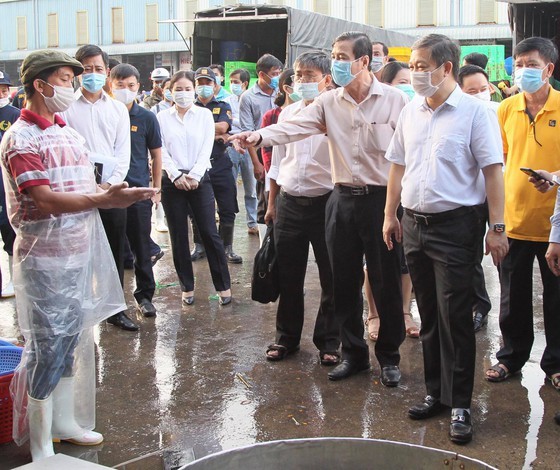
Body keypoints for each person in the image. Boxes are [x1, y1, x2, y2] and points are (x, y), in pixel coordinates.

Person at [0, 49, 156, 462]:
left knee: (69, 340)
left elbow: (87, 183)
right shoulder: (21, 138)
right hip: (43, 258)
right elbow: (45, 201)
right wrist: (104, 199)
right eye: (68, 79)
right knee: (47, 347)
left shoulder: (66, 132)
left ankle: (64, 422)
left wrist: (111, 195)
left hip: (74, 253)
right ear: (40, 84)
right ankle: (39, 444)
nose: (73, 86)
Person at [231, 31, 407, 385]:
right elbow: (295, 127)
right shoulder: (328, 103)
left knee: (385, 281)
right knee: (342, 281)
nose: (337, 62)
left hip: (380, 201)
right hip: (340, 199)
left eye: (343, 56)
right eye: (334, 55)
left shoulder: (394, 101)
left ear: (363, 61)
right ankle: (354, 355)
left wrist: (395, 210)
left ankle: (389, 357)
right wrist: (259, 136)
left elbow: (407, 154)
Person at [383, 34, 508, 444]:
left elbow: (492, 172)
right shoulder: (411, 112)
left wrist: (497, 228)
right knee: (430, 315)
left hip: (456, 227)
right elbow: (398, 166)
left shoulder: (475, 113)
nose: (415, 74)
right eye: (413, 67)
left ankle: (460, 404)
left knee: (456, 317)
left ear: (446, 68)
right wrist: (390, 215)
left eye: (422, 67)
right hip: (415, 225)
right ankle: (435, 392)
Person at [486, 37, 560, 393]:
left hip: (554, 226)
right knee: (511, 297)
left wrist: (555, 180)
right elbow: (497, 164)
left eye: (531, 65)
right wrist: (495, 219)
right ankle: (510, 358)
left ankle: (556, 364)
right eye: (519, 64)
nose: (523, 71)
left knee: (557, 297)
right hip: (513, 221)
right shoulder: (506, 108)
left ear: (548, 69)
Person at [264, 51, 339, 365]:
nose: (302, 81)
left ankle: (329, 342)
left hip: (327, 204)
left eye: (309, 75)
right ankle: (286, 339)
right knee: (288, 275)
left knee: (332, 276)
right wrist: (271, 204)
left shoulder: (337, 111)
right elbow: (278, 163)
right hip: (290, 203)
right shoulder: (288, 112)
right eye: (298, 75)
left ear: (326, 79)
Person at [61, 44, 137, 331]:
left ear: (107, 72)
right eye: (87, 69)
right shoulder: (66, 107)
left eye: (98, 68)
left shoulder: (117, 109)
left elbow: (122, 154)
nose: (92, 74)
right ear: (79, 72)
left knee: (114, 251)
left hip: (110, 192)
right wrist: (85, 186)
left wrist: (109, 186)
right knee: (76, 253)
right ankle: (76, 310)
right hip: (76, 193)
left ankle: (114, 309)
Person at [157, 71, 232, 306]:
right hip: (172, 181)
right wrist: (175, 175)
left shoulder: (204, 116)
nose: (183, 93)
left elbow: (206, 147)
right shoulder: (161, 118)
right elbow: (160, 151)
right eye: (178, 89)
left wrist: (196, 175)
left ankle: (223, 287)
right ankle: (186, 288)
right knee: (178, 235)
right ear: (169, 91)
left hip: (200, 179)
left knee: (210, 233)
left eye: (188, 89)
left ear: (194, 91)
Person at [110, 63, 162, 317]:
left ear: (138, 86)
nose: (125, 90)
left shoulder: (146, 117)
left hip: (139, 190)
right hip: (110, 193)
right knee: (114, 249)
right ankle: (114, 304)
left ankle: (145, 296)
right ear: (111, 86)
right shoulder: (105, 114)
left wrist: (157, 187)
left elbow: (156, 154)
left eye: (130, 85)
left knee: (142, 246)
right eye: (120, 85)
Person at [457, 64, 499, 333]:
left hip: (499, 193)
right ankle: (477, 306)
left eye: (483, 89)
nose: (479, 95)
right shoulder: (458, 116)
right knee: (470, 256)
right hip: (471, 197)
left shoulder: (499, 112)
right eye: (472, 91)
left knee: (502, 256)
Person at [190, 66, 242, 264]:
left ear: (215, 85)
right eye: (200, 83)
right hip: (197, 166)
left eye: (208, 82)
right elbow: (214, 131)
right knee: (198, 209)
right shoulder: (189, 108)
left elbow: (223, 127)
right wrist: (216, 134)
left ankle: (226, 247)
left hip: (220, 164)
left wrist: (205, 130)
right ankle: (199, 245)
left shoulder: (223, 106)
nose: (204, 87)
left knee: (227, 206)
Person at [239, 54, 283, 223]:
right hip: (261, 151)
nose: (277, 77)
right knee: (265, 197)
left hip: (282, 147)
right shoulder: (248, 97)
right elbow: (247, 132)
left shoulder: (282, 91)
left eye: (280, 72)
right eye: (274, 73)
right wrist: (256, 164)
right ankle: (264, 240)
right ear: (262, 75)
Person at [224, 68, 259, 236]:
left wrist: (235, 122)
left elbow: (247, 124)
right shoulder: (226, 101)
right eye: (231, 82)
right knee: (229, 185)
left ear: (245, 83)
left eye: (236, 82)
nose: (233, 85)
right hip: (232, 145)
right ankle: (227, 219)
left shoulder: (252, 99)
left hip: (249, 145)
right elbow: (227, 123)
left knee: (251, 187)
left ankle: (252, 221)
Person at [0, 70, 19, 298]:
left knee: (10, 234)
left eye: (3, 89)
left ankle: (15, 282)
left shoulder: (14, 115)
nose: (1, 93)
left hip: (6, 184)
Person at [260, 69, 295, 173]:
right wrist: (272, 171)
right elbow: (266, 147)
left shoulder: (307, 113)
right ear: (287, 88)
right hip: (276, 171)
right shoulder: (272, 115)